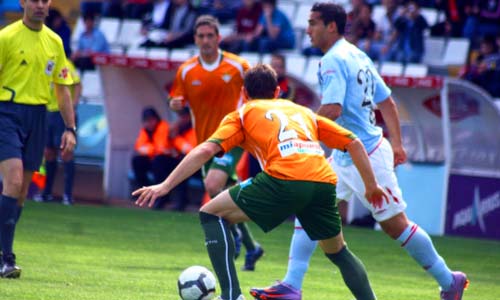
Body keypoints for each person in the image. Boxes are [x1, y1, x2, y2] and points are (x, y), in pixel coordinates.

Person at [250, 3, 469, 300]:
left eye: (313, 23)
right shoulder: (357, 54)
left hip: (365, 153)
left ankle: (449, 280)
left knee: (395, 226)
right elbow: (387, 103)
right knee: (310, 207)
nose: (308, 29)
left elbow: (333, 108)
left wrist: (299, 126)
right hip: (344, 155)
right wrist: (399, 144)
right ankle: (292, 284)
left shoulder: (331, 60)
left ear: (331, 26)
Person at [134, 64, 388, 300]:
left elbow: (204, 151)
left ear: (244, 92)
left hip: (284, 179)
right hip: (322, 183)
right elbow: (353, 142)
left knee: (211, 214)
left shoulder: (242, 114)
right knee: (338, 251)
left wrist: (165, 185)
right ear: (278, 91)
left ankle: (232, 295)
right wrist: (371, 186)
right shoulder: (304, 112)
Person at [169, 15, 264, 271]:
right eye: (201, 36)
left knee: (213, 186)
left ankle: (232, 236)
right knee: (223, 196)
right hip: (204, 144)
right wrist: (174, 104)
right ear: (195, 39)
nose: (206, 40)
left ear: (219, 38)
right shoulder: (187, 70)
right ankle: (252, 247)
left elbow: (259, 89)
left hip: (232, 139)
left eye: (211, 35)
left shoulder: (238, 66)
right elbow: (176, 98)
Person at [0, 0, 76, 278]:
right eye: (34, 0)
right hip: (6, 112)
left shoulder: (54, 41)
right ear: (23, 2)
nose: (40, 5)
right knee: (14, 180)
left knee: (21, 192)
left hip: (39, 117)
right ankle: (6, 257)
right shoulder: (6, 37)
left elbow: (63, 88)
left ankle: (2, 250)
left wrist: (71, 128)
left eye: (45, 0)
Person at [34, 59, 81, 206]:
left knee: (66, 152)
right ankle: (47, 192)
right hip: (47, 112)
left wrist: (73, 105)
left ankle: (67, 195)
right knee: (48, 152)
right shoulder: (42, 61)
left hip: (63, 114)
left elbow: (78, 84)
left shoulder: (65, 63)